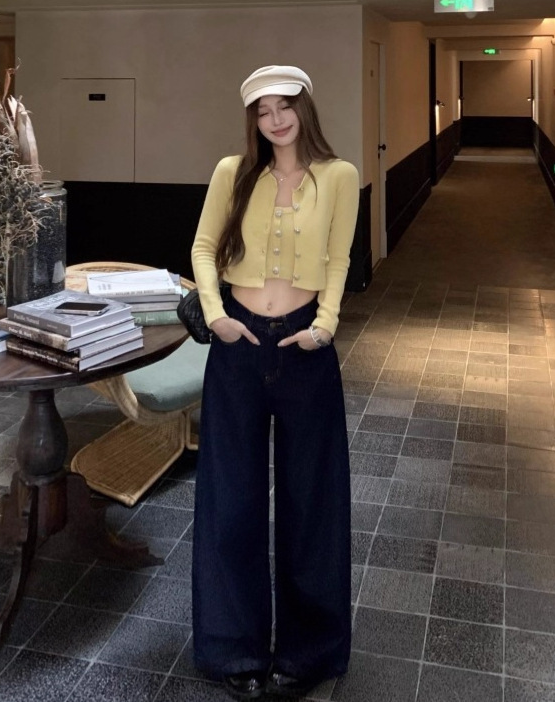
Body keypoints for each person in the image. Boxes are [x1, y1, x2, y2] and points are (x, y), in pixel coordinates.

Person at [190, 64, 359, 700]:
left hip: (304, 347)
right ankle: (233, 649)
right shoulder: (233, 172)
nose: (275, 120)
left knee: (311, 500)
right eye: (262, 111)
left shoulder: (339, 176)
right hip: (238, 343)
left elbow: (339, 257)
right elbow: (204, 247)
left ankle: (308, 652)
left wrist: (326, 326)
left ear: (303, 108)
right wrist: (215, 316)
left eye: (284, 106)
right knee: (229, 499)